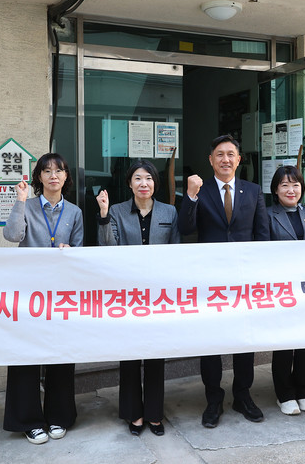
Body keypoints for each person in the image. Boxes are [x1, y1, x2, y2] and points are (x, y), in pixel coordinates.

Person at [178, 134, 269, 428]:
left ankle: (242, 395)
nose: (225, 159)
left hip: (244, 279)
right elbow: (185, 229)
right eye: (220, 154)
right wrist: (190, 196)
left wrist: (258, 276)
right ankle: (213, 399)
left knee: (244, 339)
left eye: (231, 154)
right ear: (211, 160)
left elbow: (262, 235)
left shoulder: (253, 191)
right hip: (211, 279)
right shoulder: (200, 191)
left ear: (239, 160)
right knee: (212, 342)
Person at [2, 153, 83, 444]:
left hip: (61, 293)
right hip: (28, 292)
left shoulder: (74, 212)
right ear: (39, 177)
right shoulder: (28, 205)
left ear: (66, 176)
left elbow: (80, 250)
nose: (53, 175)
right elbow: (12, 235)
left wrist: (70, 250)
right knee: (25, 354)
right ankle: (29, 420)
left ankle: (59, 416)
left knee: (61, 352)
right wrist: (20, 200)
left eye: (58, 170)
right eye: (46, 171)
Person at [96, 160, 179, 437]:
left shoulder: (169, 211)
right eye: (138, 179)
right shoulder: (117, 211)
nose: (144, 183)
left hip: (158, 293)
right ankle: (134, 414)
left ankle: (154, 414)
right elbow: (107, 248)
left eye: (149, 178)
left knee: (155, 354)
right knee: (130, 354)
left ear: (155, 183)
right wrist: (104, 215)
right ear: (130, 184)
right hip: (127, 292)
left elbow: (176, 250)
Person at [267, 165, 305, 415]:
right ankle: (284, 394)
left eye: (295, 185)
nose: (291, 190)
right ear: (275, 189)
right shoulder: (268, 215)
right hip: (282, 287)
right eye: (285, 185)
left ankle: (304, 389)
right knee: (284, 343)